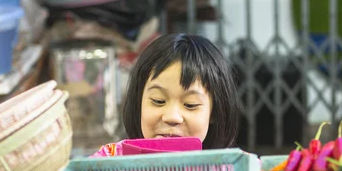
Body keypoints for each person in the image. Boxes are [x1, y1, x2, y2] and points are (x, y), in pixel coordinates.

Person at [92, 33, 240, 157]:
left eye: (190, 105)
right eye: (158, 101)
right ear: (139, 103)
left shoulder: (238, 170)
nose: (172, 117)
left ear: (214, 111)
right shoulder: (109, 164)